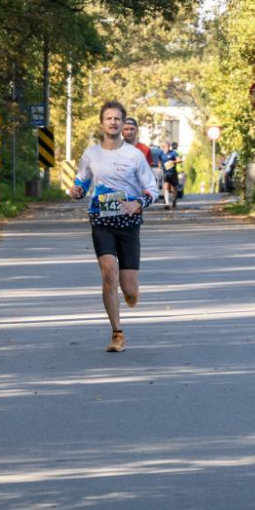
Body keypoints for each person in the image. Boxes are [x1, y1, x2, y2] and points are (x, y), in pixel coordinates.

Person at [70, 101, 159, 352]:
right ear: (102, 123)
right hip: (101, 220)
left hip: (129, 221)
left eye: (117, 119)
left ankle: (131, 293)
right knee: (109, 274)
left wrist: (138, 204)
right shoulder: (91, 154)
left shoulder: (135, 156)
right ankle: (117, 333)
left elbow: (152, 189)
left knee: (128, 287)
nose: (113, 122)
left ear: (123, 123)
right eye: (108, 118)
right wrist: (76, 191)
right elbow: (81, 184)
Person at [158, 141, 181, 209]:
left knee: (174, 188)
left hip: (173, 172)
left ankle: (174, 200)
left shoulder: (173, 153)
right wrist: (159, 167)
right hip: (166, 173)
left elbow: (179, 160)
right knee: (166, 187)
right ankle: (167, 203)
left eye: (168, 146)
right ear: (163, 147)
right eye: (166, 146)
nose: (167, 148)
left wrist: (173, 161)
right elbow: (159, 160)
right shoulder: (161, 153)